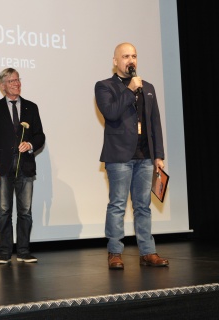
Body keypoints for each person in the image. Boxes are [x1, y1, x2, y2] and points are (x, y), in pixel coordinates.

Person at [95, 42, 169, 270]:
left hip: (146, 156)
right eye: (126, 56)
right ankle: (115, 252)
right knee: (117, 204)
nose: (131, 60)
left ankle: (148, 252)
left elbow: (154, 122)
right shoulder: (104, 86)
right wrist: (129, 90)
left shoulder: (148, 87)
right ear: (116, 61)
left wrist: (158, 154)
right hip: (119, 156)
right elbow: (110, 113)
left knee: (143, 206)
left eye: (134, 56)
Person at [0, 68, 45, 264]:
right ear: (2, 86)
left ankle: (24, 251)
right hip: (2, 168)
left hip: (25, 166)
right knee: (4, 210)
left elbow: (40, 135)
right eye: (11, 81)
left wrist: (30, 145)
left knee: (25, 211)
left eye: (17, 80)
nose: (16, 84)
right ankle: (5, 252)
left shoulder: (31, 107)